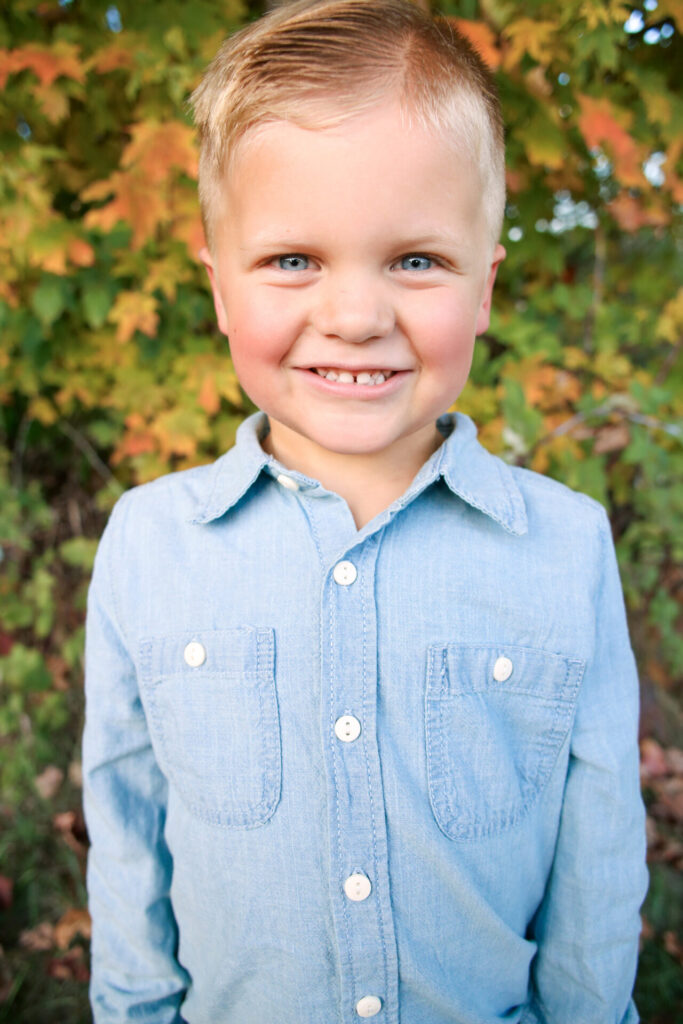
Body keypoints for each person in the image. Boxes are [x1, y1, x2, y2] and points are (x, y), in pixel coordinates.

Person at [82, 1, 648, 1021]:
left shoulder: (562, 548)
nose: (353, 315)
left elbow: (597, 862)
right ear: (218, 289)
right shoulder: (149, 544)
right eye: (292, 258)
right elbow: (126, 841)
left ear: (482, 287)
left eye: (414, 260)